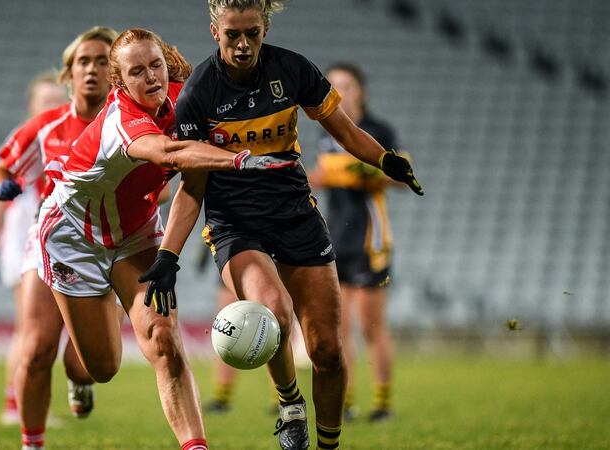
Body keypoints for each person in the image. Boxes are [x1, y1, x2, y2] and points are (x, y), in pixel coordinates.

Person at [138, 2, 423, 449]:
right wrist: (168, 254)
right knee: (271, 310)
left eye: (252, 32)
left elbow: (345, 131)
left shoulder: (291, 69)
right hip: (235, 224)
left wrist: (385, 160)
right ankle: (291, 407)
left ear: (265, 27)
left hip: (296, 215)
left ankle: (327, 444)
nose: (243, 44)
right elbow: (192, 186)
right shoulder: (198, 94)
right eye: (233, 34)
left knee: (327, 349)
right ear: (215, 31)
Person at [37, 28, 296, 450]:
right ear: (119, 83)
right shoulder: (122, 117)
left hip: (136, 233)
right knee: (101, 367)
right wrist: (242, 160)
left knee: (163, 338)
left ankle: (195, 447)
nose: (151, 77)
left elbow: (195, 175)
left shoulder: (183, 97)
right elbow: (170, 154)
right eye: (136, 72)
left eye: (155, 65)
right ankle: (83, 363)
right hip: (75, 237)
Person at [0, 26, 120, 450]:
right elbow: (1, 168)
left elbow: (163, 180)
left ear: (116, 73)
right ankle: (32, 443)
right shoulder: (47, 127)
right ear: (69, 74)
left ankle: (80, 381)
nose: (92, 70)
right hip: (50, 243)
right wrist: (1, 186)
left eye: (103, 61)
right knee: (37, 347)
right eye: (83, 61)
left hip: (108, 247)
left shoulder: (130, 126)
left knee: (87, 365)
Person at [308, 62, 404, 423]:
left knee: (371, 325)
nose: (340, 92)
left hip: (370, 239)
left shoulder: (378, 130)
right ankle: (346, 401)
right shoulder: (325, 131)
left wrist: (365, 171)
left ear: (360, 90)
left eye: (346, 85)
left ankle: (383, 403)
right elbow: (322, 176)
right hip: (335, 237)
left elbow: (400, 175)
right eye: (333, 86)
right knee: (339, 327)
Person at [0, 71, 68, 426]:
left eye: (59, 101)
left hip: (54, 240)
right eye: (46, 101)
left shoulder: (67, 136)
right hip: (24, 239)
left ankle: (25, 402)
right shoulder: (28, 142)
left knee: (44, 330)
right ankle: (16, 405)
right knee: (30, 328)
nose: (53, 107)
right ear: (32, 107)